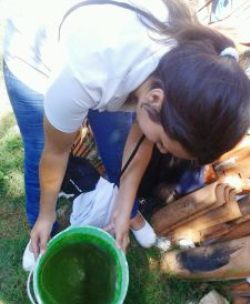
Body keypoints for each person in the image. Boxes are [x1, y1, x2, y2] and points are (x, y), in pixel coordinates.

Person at [3, 0, 250, 257]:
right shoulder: (84, 78)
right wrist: (46, 214)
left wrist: (124, 205)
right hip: (34, 56)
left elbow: (142, 138)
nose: (160, 149)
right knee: (40, 147)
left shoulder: (183, 68)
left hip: (107, 54)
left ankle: (129, 214)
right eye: (163, 143)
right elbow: (55, 155)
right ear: (153, 99)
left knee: (117, 145)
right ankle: (43, 229)